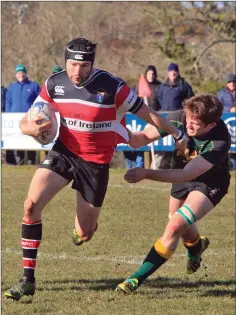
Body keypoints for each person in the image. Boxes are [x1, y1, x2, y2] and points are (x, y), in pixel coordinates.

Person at [4, 37, 188, 301]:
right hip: (64, 153)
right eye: (72, 65)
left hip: (96, 164)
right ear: (65, 61)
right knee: (30, 206)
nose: (77, 71)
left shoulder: (113, 88)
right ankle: (27, 280)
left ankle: (84, 230)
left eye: (84, 66)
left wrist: (176, 133)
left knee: (84, 232)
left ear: (92, 64)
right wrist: (30, 129)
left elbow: (149, 115)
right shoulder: (54, 84)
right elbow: (26, 121)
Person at [116, 94, 231, 294]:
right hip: (181, 176)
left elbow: (187, 174)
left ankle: (134, 279)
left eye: (195, 124)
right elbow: (140, 138)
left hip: (209, 182)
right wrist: (116, 130)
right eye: (188, 119)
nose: (188, 125)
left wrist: (147, 172)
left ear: (210, 125)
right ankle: (196, 247)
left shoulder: (219, 140)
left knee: (175, 225)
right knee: (178, 223)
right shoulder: (179, 117)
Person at [5, 64, 40, 165]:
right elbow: (8, 102)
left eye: (22, 72)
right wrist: (9, 116)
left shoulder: (33, 86)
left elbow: (38, 101)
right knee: (18, 140)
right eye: (18, 73)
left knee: (30, 140)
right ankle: (19, 162)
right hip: (15, 119)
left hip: (30, 119)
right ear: (16, 74)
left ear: (25, 73)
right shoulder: (11, 88)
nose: (20, 74)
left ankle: (31, 161)